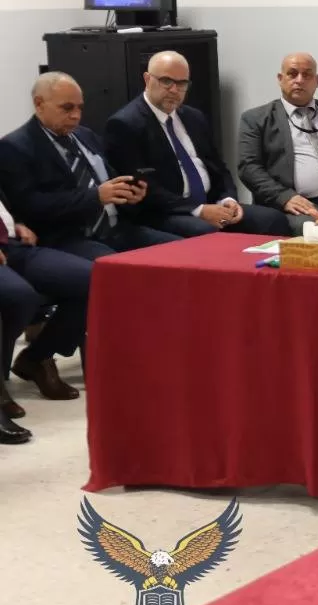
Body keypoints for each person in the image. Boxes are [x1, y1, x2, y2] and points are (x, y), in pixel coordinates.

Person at [104, 52, 292, 238]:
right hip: (165, 212)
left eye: (182, 84)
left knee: (273, 219)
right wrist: (198, 210)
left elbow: (218, 168)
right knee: (206, 232)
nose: (174, 90)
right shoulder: (125, 124)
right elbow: (145, 190)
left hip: (211, 204)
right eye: (166, 81)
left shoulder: (194, 117)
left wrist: (228, 199)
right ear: (147, 79)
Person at [0, 73, 180, 257]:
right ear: (39, 104)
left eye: (80, 108)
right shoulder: (15, 146)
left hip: (118, 227)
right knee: (120, 266)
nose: (76, 116)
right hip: (71, 236)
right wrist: (95, 196)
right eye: (67, 108)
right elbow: (31, 206)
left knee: (179, 250)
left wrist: (128, 194)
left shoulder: (85, 135)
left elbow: (109, 180)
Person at [0, 178, 93, 427]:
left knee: (93, 280)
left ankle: (37, 358)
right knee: (19, 296)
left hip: (15, 245)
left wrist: (16, 223)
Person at [236, 53, 318, 234]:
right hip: (297, 207)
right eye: (292, 74)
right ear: (280, 79)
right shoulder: (256, 118)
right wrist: (284, 197)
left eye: (307, 75)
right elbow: (248, 168)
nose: (299, 80)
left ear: (317, 81)